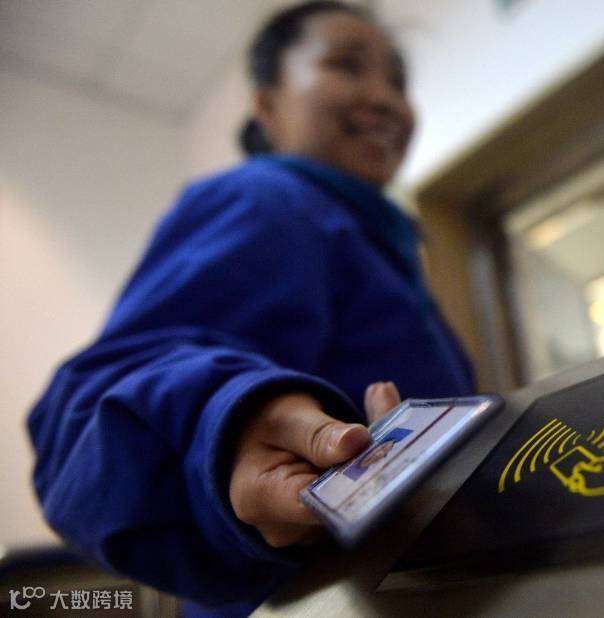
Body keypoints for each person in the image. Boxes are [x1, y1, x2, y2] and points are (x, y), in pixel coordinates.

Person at [27, 2, 474, 615]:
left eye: (397, 81)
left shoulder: (382, 248)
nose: (385, 99)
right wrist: (228, 427)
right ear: (267, 105)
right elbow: (85, 408)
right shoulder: (266, 199)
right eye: (347, 66)